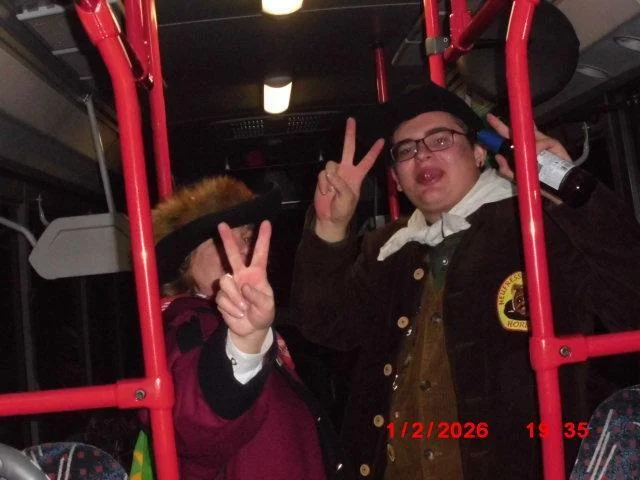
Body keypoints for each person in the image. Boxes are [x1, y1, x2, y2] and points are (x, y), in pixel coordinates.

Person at [289, 83, 640, 479]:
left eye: (440, 139)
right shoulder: (388, 248)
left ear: (477, 153)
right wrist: (330, 227)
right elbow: (325, 326)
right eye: (406, 150)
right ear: (397, 179)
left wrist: (574, 195)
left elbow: (632, 301)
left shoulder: (539, 225)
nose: (422, 154)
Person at [151, 176, 348, 479]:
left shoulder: (243, 326)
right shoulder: (188, 325)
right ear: (186, 262)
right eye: (224, 241)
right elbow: (195, 428)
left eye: (246, 238)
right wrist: (244, 344)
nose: (243, 251)